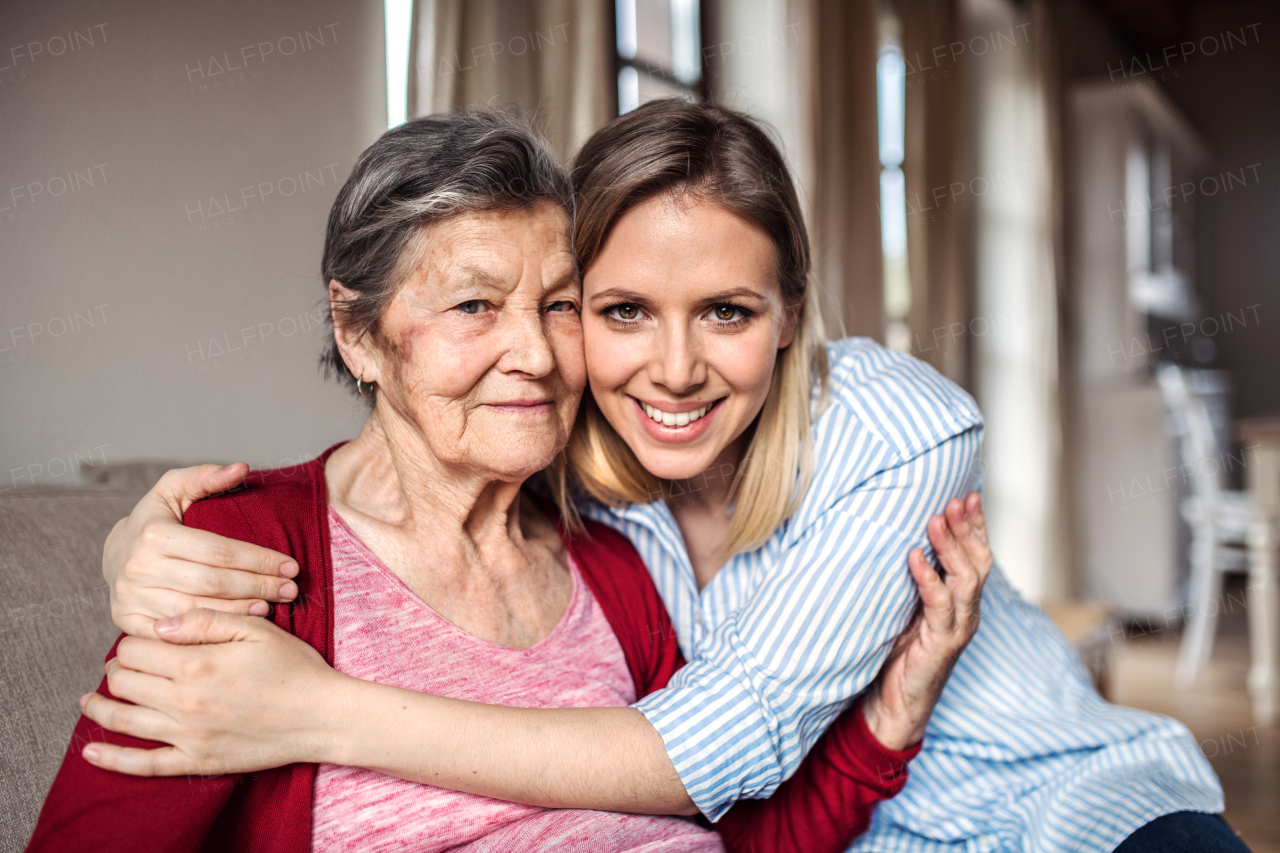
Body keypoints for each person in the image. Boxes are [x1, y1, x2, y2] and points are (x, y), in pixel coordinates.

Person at [83, 100, 1236, 852]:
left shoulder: (859, 443)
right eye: (618, 310)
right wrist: (125, 547)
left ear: (789, 314)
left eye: (555, 306)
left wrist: (316, 711)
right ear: (359, 331)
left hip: (1068, 815)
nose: (536, 352)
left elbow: (728, 783)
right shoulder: (282, 545)